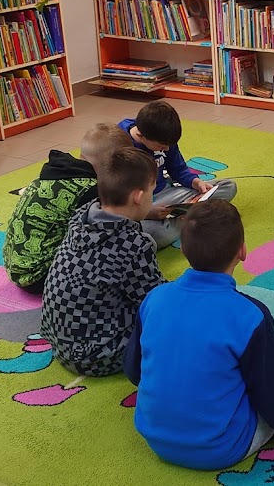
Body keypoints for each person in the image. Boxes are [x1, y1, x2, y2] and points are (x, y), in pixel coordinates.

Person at [124, 200, 274, 470]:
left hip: (155, 436)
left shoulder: (155, 298)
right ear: (242, 251)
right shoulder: (250, 315)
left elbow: (135, 371)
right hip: (221, 446)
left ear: (184, 250)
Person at [40, 148, 167, 377]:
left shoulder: (82, 216)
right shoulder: (133, 245)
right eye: (152, 191)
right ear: (138, 197)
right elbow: (156, 301)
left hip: (59, 342)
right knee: (178, 323)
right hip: (97, 356)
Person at [3, 123, 131, 294]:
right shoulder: (89, 190)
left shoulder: (55, 173)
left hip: (16, 264)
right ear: (112, 166)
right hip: (39, 275)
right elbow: (103, 232)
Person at [119, 100, 237, 249]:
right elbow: (116, 200)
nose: (167, 149)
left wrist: (196, 182)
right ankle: (194, 219)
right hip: (139, 205)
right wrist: (147, 212)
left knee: (228, 186)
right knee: (155, 235)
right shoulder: (120, 144)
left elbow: (178, 169)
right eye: (161, 146)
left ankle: (184, 217)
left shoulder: (163, 134)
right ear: (141, 136)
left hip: (167, 193)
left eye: (169, 145)